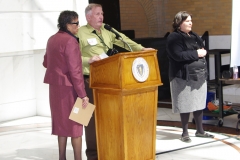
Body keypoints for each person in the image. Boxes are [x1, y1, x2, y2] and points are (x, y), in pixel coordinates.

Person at [77, 3, 154, 160]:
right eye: (98, 14)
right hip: (87, 81)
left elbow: (124, 40)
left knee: (107, 119)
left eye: (102, 14)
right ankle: (92, 155)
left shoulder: (107, 30)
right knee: (87, 121)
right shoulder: (80, 33)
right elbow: (72, 58)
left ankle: (108, 150)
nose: (101, 17)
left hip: (108, 82)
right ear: (88, 17)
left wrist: (141, 49)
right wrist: (88, 59)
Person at [43, 10, 89, 160]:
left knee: (61, 125)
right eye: (75, 23)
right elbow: (76, 71)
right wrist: (83, 95)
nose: (78, 26)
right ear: (67, 24)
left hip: (55, 89)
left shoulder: (51, 39)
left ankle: (61, 157)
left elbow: (46, 62)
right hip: (70, 89)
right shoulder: (71, 41)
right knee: (76, 126)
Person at [166, 11, 214, 143]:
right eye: (187, 21)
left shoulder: (194, 36)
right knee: (185, 104)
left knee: (199, 103)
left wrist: (202, 52)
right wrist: (196, 53)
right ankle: (185, 133)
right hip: (183, 77)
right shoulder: (174, 38)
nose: (190, 23)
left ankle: (200, 131)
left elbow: (202, 49)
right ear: (179, 23)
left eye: (191, 20)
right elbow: (178, 55)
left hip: (199, 75)